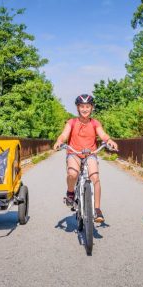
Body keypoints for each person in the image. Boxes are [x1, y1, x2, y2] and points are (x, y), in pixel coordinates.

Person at [53, 94, 118, 223]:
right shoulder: (71, 122)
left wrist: (109, 140)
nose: (85, 109)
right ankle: (71, 192)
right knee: (73, 173)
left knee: (95, 178)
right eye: (82, 106)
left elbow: (103, 134)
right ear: (77, 108)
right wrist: (59, 141)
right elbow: (64, 135)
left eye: (87, 106)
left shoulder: (95, 123)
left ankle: (97, 209)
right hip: (74, 153)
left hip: (90, 154)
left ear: (92, 108)